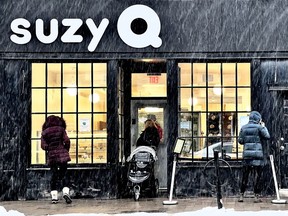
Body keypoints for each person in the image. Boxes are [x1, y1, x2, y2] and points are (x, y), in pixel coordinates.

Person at [238, 111, 270, 203]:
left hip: (247, 156)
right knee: (258, 176)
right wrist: (263, 126)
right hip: (257, 156)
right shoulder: (260, 127)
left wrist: (247, 141)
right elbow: (267, 136)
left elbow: (240, 141)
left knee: (245, 176)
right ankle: (256, 196)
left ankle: (241, 195)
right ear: (258, 119)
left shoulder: (243, 127)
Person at [41, 115, 72, 204]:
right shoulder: (61, 129)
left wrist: (49, 148)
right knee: (64, 174)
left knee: (54, 175)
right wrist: (65, 150)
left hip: (52, 156)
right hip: (62, 155)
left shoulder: (45, 132)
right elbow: (67, 141)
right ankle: (65, 192)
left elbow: (43, 146)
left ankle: (54, 196)